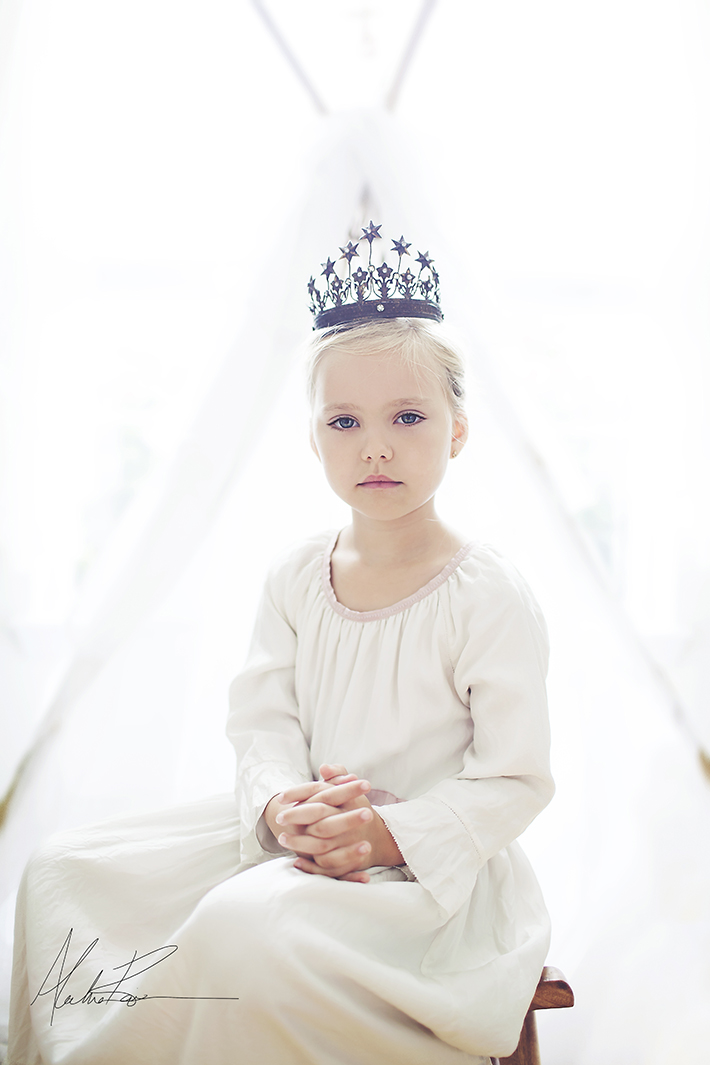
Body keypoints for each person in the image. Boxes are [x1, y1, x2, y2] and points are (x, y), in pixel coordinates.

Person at [9, 225, 554, 1065]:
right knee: (62, 868)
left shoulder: (485, 592)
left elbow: (515, 777)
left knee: (239, 925)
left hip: (428, 874)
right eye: (345, 420)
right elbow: (262, 721)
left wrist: (385, 834)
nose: (375, 444)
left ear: (457, 430)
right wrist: (280, 806)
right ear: (314, 439)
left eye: (408, 415)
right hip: (301, 832)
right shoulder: (298, 576)